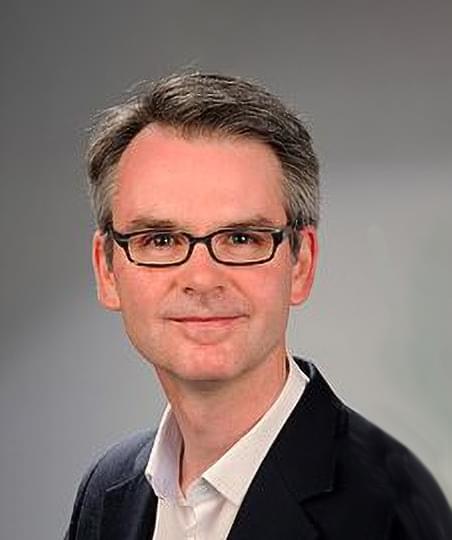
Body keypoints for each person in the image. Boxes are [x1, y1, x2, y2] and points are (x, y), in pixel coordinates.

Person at [65, 72, 452, 540]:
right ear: (107, 271)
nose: (202, 279)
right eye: (161, 240)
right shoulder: (107, 493)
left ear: (301, 264)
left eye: (241, 238)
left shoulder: (393, 513)